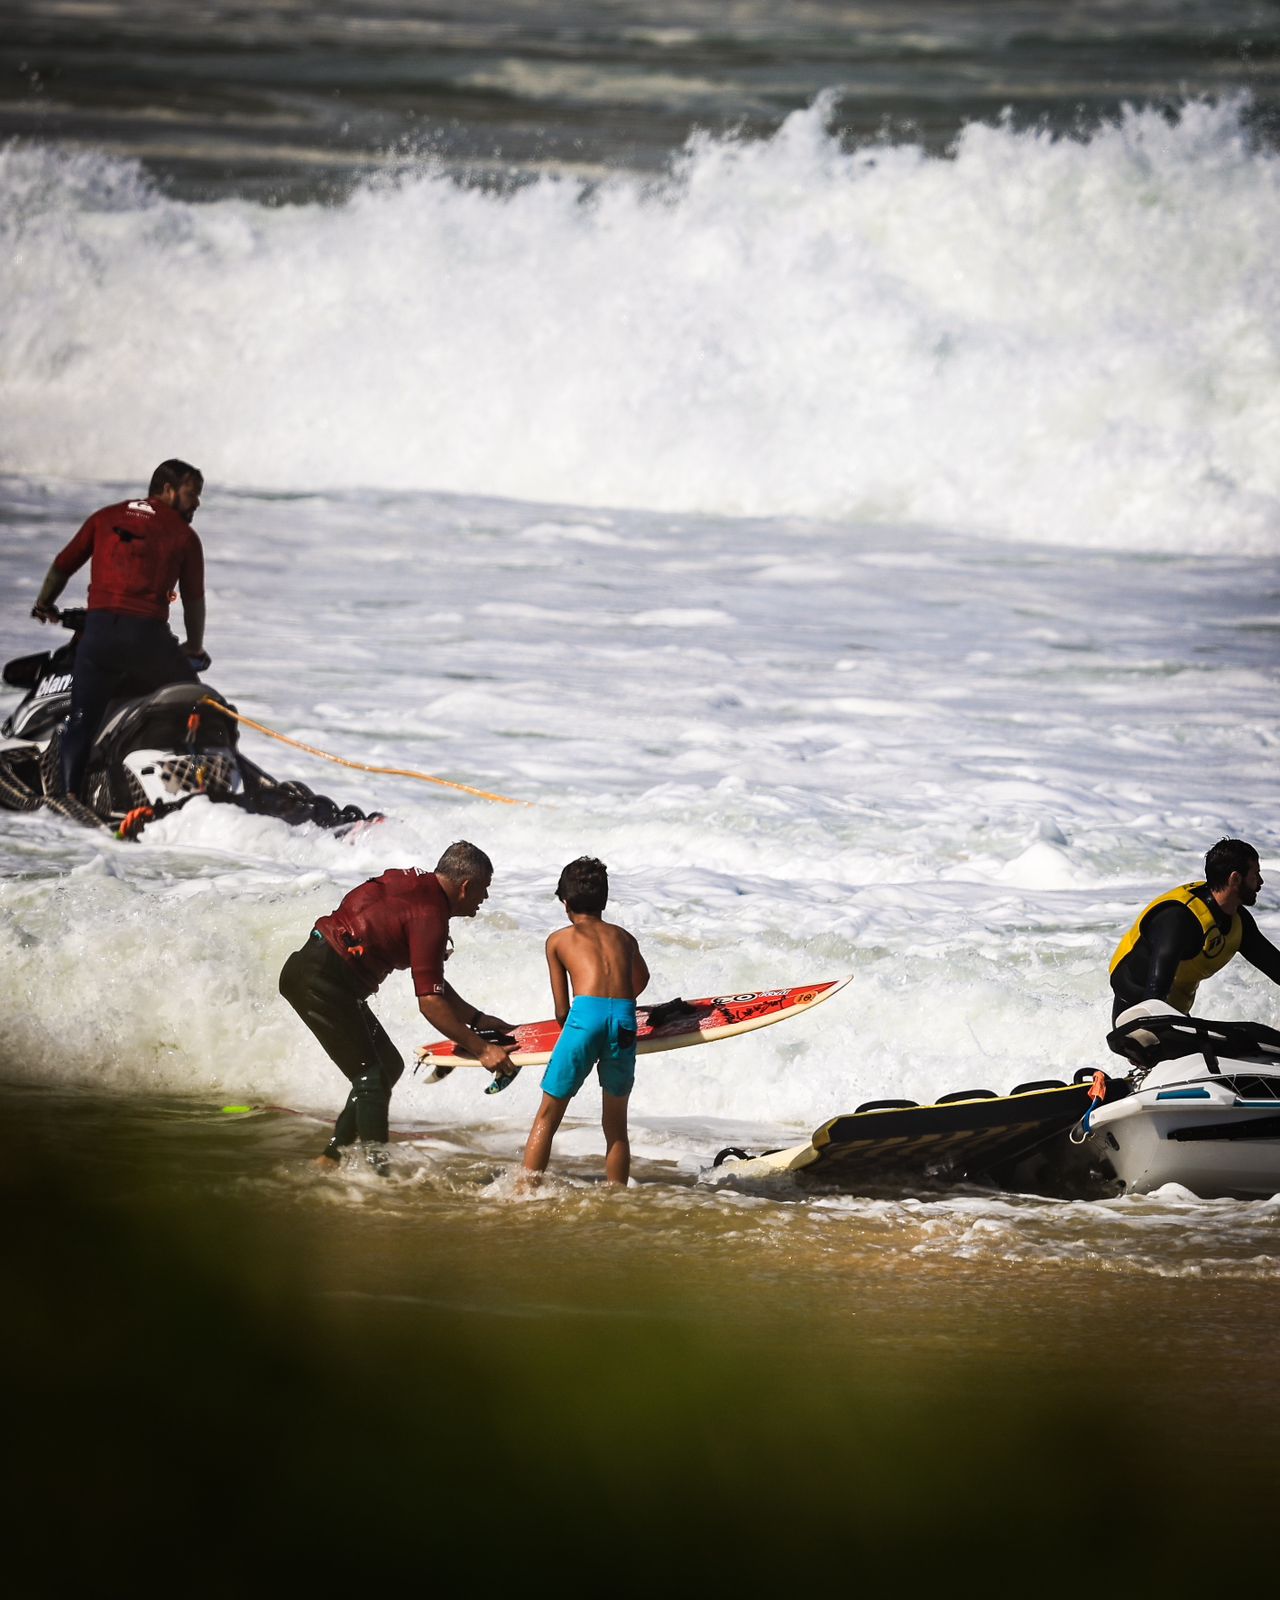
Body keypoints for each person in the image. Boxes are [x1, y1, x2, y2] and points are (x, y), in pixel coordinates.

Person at [279, 840, 515, 1171]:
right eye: (484, 889)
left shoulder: (418, 889)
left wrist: (477, 1018)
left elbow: (433, 985)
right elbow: (430, 1004)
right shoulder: (430, 915)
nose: (485, 899)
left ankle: (332, 1157)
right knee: (370, 1078)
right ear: (466, 886)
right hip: (321, 979)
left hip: (322, 972)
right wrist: (482, 1050)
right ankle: (378, 1174)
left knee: (387, 1066)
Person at [31, 459, 209, 797]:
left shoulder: (105, 517)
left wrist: (44, 605)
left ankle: (68, 799)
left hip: (98, 638)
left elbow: (62, 565)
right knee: (194, 705)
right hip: (148, 641)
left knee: (81, 722)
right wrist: (195, 647)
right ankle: (193, 788)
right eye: (192, 493)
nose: (197, 502)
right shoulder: (184, 536)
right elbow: (193, 600)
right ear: (168, 490)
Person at [521, 856, 650, 1186]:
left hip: (584, 1020)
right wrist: (617, 1005)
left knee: (548, 1117)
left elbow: (562, 1011)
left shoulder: (558, 940)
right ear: (604, 900)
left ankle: (526, 1192)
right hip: (623, 1020)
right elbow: (641, 979)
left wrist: (579, 1031)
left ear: (565, 903)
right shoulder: (625, 938)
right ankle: (617, 1195)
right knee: (616, 1126)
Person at [1109, 838, 1280, 1022]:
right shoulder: (1179, 920)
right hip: (1134, 1017)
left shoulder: (1239, 923)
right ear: (1235, 878)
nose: (1261, 882)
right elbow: (1154, 997)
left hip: (1174, 1016)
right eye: (1255, 875)